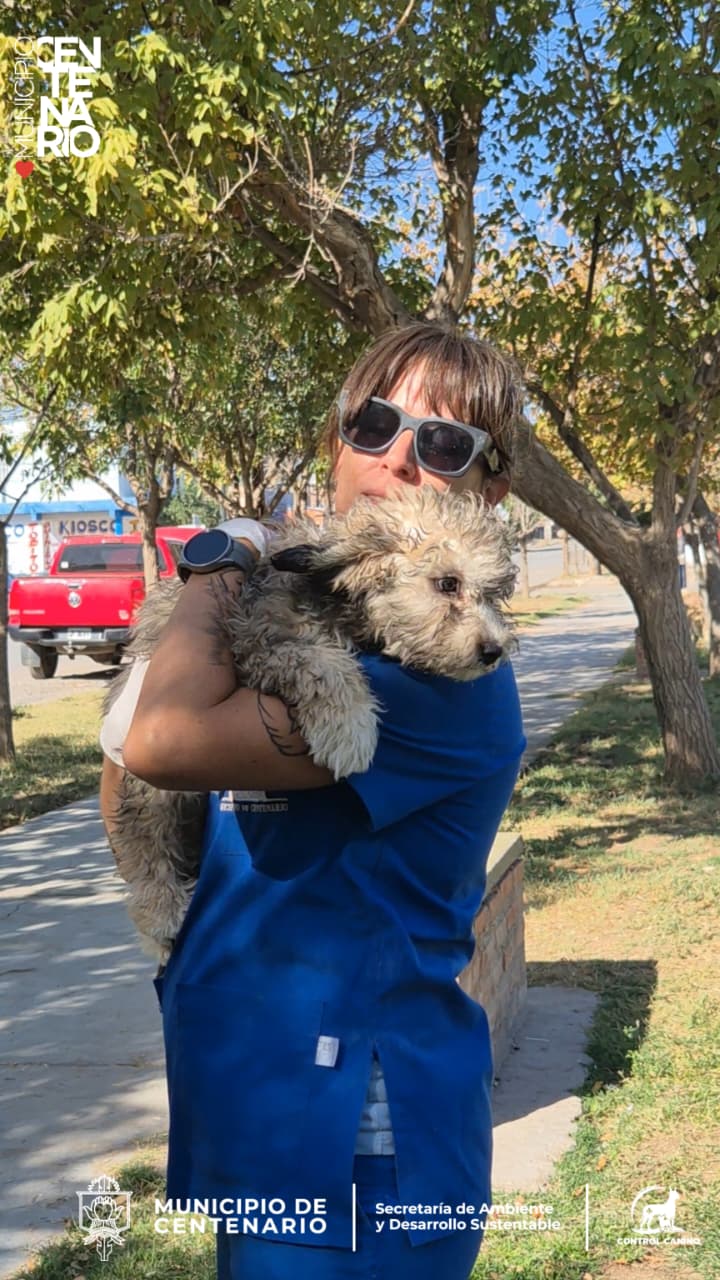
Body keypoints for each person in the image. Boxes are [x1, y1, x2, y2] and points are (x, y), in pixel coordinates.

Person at [100, 322, 526, 1280]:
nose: (401, 458)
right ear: (337, 438)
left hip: (362, 1150)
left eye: (445, 443)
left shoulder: (435, 679)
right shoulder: (307, 614)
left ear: (489, 491)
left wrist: (215, 565)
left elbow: (165, 742)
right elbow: (135, 780)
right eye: (376, 423)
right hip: (262, 1117)